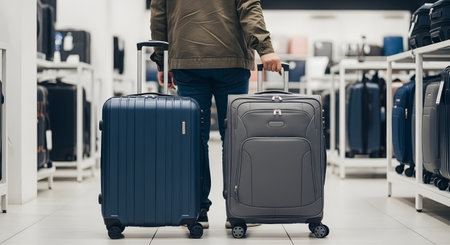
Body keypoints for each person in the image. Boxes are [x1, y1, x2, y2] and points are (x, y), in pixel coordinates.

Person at [150, 0, 281, 228]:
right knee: (234, 136)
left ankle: (196, 209)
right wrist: (265, 48)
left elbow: (158, 16)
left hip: (187, 59)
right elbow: (249, 7)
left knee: (192, 137)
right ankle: (238, 209)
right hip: (231, 59)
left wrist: (162, 61)